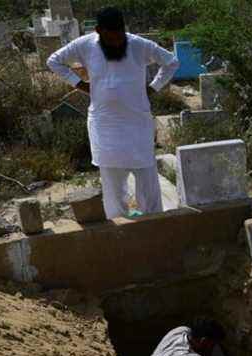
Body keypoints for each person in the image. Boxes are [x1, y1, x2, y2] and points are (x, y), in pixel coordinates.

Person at [47, 7, 180, 219]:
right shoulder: (84, 44)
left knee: (146, 178)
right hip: (105, 125)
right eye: (111, 37)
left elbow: (171, 62)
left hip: (137, 122)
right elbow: (54, 61)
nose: (118, 42)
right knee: (112, 183)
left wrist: (153, 87)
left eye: (120, 36)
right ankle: (119, 224)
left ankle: (153, 222)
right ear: (99, 31)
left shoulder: (138, 44)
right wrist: (80, 85)